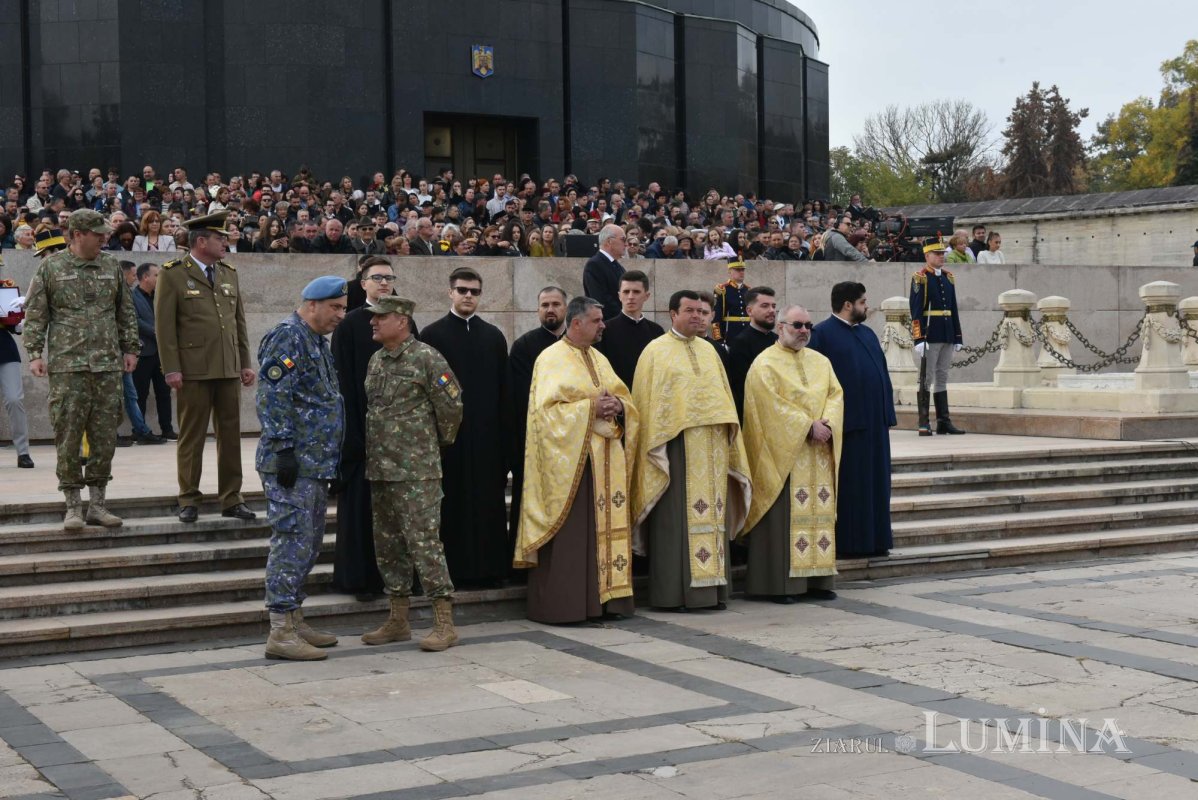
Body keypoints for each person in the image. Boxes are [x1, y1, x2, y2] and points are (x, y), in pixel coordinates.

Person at [515, 296, 638, 622]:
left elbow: (623, 396)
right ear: (577, 322)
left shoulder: (599, 358)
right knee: (574, 537)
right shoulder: (550, 358)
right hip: (572, 465)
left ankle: (607, 601)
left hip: (605, 461)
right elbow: (546, 412)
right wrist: (590, 409)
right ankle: (568, 605)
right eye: (597, 320)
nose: (603, 325)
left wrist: (619, 408)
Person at [629, 290, 751, 611]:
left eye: (702, 311)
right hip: (674, 450)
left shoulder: (710, 352)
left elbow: (723, 395)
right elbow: (647, 402)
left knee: (713, 521)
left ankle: (712, 593)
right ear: (673, 313)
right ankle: (674, 594)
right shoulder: (655, 352)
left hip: (712, 450)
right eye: (690, 311)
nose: (697, 316)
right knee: (676, 522)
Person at [23, 209, 139, 530]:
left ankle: (98, 504)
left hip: (106, 366)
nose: (104, 238)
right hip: (67, 367)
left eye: (105, 233)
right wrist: (34, 353)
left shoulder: (111, 267)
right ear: (77, 234)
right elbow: (35, 315)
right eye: (97, 233)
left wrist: (130, 348)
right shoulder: (50, 268)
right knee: (68, 435)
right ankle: (73, 504)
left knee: (104, 437)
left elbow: (124, 311)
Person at [360, 295, 464, 652]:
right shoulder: (376, 360)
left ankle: (443, 622)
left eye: (381, 317)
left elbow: (451, 405)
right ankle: (398, 619)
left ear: (402, 321)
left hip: (416, 471)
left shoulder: (427, 357)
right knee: (389, 547)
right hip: (381, 469)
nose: (373, 322)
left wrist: (431, 445)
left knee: (424, 544)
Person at [257, 276, 347, 661]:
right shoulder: (288, 337)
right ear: (311, 304)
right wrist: (283, 449)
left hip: (316, 463)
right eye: (335, 308)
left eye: (343, 308)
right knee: (291, 541)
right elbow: (272, 395)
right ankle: (279, 629)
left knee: (307, 545)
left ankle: (294, 617)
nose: (340, 315)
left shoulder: (316, 341)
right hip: (292, 463)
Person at [156, 210, 257, 523]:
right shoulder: (173, 273)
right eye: (219, 238)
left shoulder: (229, 273)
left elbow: (238, 322)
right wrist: (171, 368)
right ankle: (189, 498)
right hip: (193, 370)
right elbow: (165, 327)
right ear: (200, 241)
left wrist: (244, 362)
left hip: (227, 368)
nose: (225, 242)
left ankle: (232, 497)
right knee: (192, 436)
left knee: (230, 436)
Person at [741, 305, 842, 602]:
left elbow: (835, 395)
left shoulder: (821, 361)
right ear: (780, 327)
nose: (803, 331)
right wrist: (806, 425)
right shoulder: (765, 363)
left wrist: (828, 423)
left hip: (818, 452)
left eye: (808, 325)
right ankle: (779, 585)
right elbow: (767, 406)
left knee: (818, 515)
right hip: (783, 454)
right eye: (797, 325)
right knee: (784, 518)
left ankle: (817, 581)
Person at [419, 267, 510, 587]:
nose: (468, 296)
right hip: (448, 443)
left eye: (474, 291)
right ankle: (453, 572)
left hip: (487, 441)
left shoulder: (494, 336)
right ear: (450, 292)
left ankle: (490, 570)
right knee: (451, 506)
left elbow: (504, 391)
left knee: (488, 505)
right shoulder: (431, 335)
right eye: (462, 290)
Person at [807, 282, 895, 559]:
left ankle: (878, 540)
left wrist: (886, 414)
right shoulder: (822, 334)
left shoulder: (867, 333)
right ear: (848, 304)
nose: (866, 306)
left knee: (878, 485)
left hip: (875, 424)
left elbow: (881, 374)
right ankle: (852, 543)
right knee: (854, 487)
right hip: (848, 426)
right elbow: (817, 383)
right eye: (863, 302)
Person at [330, 257, 401, 598]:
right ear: (363, 283)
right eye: (377, 278)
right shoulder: (350, 324)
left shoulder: (403, 322)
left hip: (396, 434)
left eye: (389, 277)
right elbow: (341, 382)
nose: (384, 283)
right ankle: (359, 578)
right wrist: (352, 433)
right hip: (360, 431)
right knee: (359, 509)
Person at [506, 287, 567, 550]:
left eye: (555, 304)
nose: (550, 309)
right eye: (544, 305)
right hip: (535, 441)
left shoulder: (580, 343)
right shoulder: (524, 345)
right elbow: (521, 398)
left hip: (570, 441)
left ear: (566, 308)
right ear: (537, 310)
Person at [910, 240, 965, 436]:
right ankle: (923, 421)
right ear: (927, 256)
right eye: (936, 253)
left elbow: (953, 309)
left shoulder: (949, 278)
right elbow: (916, 311)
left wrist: (958, 336)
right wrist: (918, 338)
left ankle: (944, 421)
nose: (941, 256)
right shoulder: (921, 278)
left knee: (942, 376)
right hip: (930, 333)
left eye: (942, 253)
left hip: (947, 332)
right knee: (927, 378)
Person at [119, 261, 165, 445]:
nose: (134, 278)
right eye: (131, 274)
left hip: (128, 351)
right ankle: (134, 431)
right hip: (117, 351)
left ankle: (142, 431)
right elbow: (130, 321)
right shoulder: (125, 296)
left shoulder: (152, 296)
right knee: (123, 395)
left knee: (131, 395)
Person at [594, 270, 664, 391]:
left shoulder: (656, 331)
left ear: (646, 296)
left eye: (636, 292)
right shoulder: (603, 330)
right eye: (626, 292)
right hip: (616, 399)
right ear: (619, 295)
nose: (630, 297)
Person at [130, 263, 175, 440]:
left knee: (164, 392)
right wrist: (155, 331)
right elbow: (134, 320)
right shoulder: (131, 297)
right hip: (143, 352)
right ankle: (140, 431)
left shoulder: (161, 296)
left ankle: (167, 429)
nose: (159, 279)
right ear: (145, 277)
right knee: (140, 393)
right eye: (156, 275)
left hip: (162, 353)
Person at [725, 287, 778, 419]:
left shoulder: (779, 340)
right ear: (750, 311)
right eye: (765, 306)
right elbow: (742, 390)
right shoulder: (740, 343)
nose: (771, 310)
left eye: (773, 306)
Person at [0, 265, 32, 469]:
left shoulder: (5, 288)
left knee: (14, 399)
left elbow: (15, 325)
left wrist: (21, 317)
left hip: (4, 347)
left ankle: (23, 452)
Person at [582, 224, 627, 321]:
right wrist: (624, 317)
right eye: (623, 239)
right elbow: (601, 300)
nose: (626, 244)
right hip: (607, 325)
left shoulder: (618, 266)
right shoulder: (594, 265)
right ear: (610, 241)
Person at [711, 260, 751, 343]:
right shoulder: (722, 289)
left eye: (743, 270)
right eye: (737, 270)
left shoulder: (748, 290)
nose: (741, 272)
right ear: (730, 271)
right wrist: (718, 338)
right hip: (730, 334)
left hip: (748, 333)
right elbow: (716, 316)